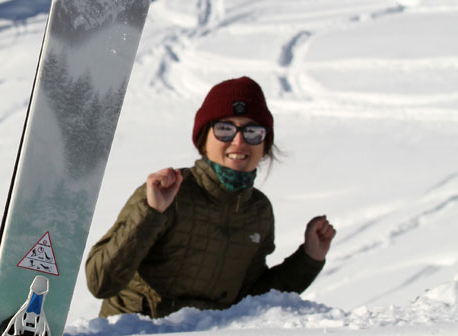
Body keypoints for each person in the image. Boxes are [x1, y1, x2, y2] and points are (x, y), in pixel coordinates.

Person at [85, 76, 336, 318]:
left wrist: (309, 259)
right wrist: (151, 214)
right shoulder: (167, 192)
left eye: (252, 132)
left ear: (264, 145)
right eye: (225, 129)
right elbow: (101, 282)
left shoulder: (258, 211)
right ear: (203, 140)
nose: (239, 141)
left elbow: (250, 298)